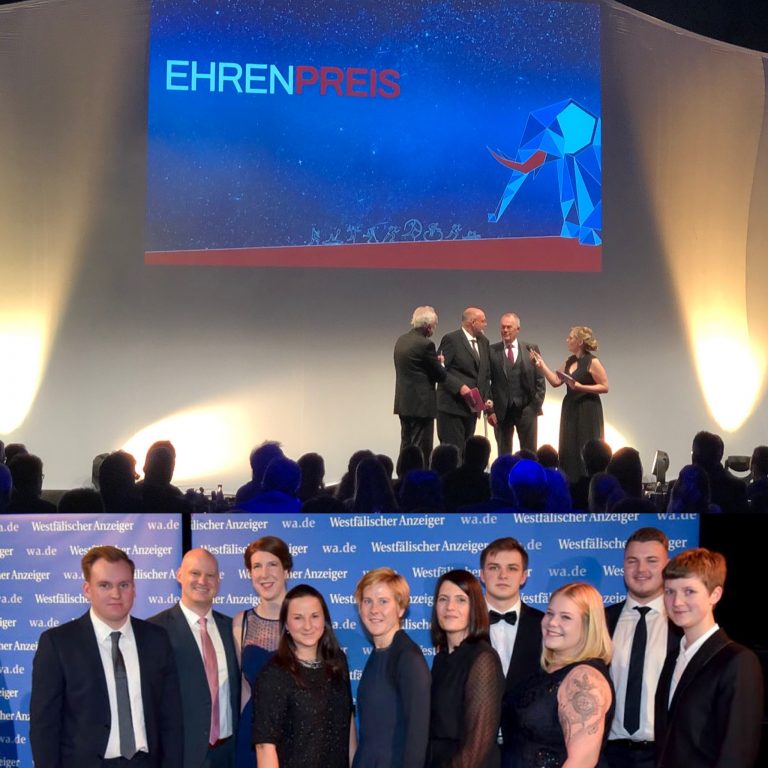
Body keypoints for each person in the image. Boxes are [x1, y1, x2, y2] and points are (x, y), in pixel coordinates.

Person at [30, 545, 182, 768]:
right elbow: (45, 727)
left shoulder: (156, 639)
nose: (116, 594)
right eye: (105, 585)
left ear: (134, 588)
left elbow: (171, 717)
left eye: (124, 585)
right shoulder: (58, 643)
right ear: (87, 589)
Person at [654, 548, 763, 768]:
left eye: (689, 591)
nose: (677, 602)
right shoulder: (673, 658)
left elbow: (736, 754)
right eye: (669, 592)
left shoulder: (738, 661)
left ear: (715, 594)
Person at [149, 548, 240, 768]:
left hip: (229, 754)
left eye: (210, 575)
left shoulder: (233, 629)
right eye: (195, 573)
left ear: (218, 581)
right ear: (179, 575)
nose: (202, 581)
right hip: (179, 757)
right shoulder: (154, 631)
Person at [508, 582, 614, 768]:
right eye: (550, 613)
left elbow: (582, 762)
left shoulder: (584, 678)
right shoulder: (548, 669)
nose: (552, 622)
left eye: (565, 617)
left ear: (589, 626)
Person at [252, 584, 355, 768]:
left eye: (314, 616)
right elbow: (265, 746)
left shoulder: (338, 662)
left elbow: (348, 722)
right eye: (298, 618)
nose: (308, 626)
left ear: (324, 620)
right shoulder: (273, 674)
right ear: (286, 625)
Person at [604, 528, 681, 768]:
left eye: (651, 561)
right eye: (632, 561)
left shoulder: (683, 625)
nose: (641, 569)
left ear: (667, 565)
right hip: (608, 755)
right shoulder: (601, 621)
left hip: (665, 755)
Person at [353, 568, 430, 768]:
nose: (374, 609)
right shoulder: (378, 653)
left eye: (383, 601)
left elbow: (417, 739)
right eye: (367, 601)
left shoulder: (408, 658)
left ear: (401, 608)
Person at [428, 569, 504, 768]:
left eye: (461, 600)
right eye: (443, 599)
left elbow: (477, 748)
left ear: (475, 607)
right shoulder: (441, 659)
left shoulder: (483, 659)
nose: (450, 607)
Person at [479, 538, 544, 767]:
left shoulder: (546, 626)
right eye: (494, 567)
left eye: (512, 568)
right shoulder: (462, 625)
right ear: (482, 575)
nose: (503, 575)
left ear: (524, 576)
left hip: (528, 751)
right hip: (476, 750)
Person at [232, 537, 292, 768]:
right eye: (257, 566)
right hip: (251, 732)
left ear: (286, 569)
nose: (264, 574)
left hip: (296, 732)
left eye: (272, 564)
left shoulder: (305, 619)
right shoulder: (241, 622)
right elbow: (244, 688)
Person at [530, 326, 609, 483]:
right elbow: (555, 381)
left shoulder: (592, 361)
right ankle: (570, 481)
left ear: (580, 342)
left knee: (585, 442)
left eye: (571, 337)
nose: (567, 340)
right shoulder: (569, 361)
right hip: (571, 406)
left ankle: (587, 482)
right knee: (569, 445)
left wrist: (580, 387)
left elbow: (605, 386)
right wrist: (541, 365)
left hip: (588, 408)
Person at [393, 305, 448, 464]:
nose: (434, 329)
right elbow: (440, 375)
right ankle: (418, 476)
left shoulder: (401, 340)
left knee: (406, 445)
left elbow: (414, 367)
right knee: (421, 449)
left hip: (404, 403)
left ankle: (404, 474)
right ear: (428, 326)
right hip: (422, 406)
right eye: (434, 326)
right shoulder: (426, 345)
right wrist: (441, 363)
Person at [487, 313, 545, 454]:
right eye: (503, 327)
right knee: (504, 453)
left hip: (527, 409)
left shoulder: (530, 349)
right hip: (501, 412)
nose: (505, 330)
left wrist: (534, 406)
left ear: (518, 329)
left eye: (509, 327)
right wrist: (490, 410)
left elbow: (539, 378)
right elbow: (486, 381)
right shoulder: (491, 351)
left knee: (529, 452)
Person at [436, 307, 492, 454]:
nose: (486, 324)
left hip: (471, 409)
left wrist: (485, 399)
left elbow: (484, 374)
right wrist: (460, 387)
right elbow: (439, 370)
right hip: (452, 408)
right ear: (473, 322)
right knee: (453, 454)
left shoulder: (484, 342)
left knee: (467, 453)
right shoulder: (451, 340)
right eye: (483, 321)